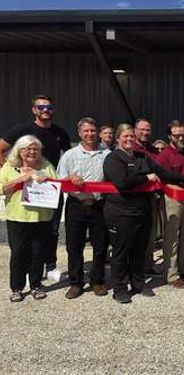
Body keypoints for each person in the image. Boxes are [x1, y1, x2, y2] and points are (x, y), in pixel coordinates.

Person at [103, 123, 184, 304]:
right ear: (118, 138)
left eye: (131, 136)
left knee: (140, 250)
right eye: (125, 136)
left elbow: (162, 172)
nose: (129, 139)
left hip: (142, 210)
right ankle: (120, 288)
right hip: (121, 212)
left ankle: (138, 283)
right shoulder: (113, 158)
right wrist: (146, 178)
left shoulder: (142, 157)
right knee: (121, 251)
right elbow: (122, 182)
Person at [0, 94, 70, 282]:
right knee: (24, 240)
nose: (45, 110)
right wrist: (11, 171)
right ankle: (21, 278)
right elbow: (1, 148)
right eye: (41, 107)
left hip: (49, 189)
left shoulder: (60, 133)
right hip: (25, 192)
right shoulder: (23, 129)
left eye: (48, 107)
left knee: (52, 229)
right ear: (34, 110)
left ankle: (51, 265)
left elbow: (66, 158)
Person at [56, 117, 110, 299]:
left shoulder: (107, 154)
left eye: (93, 131)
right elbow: (60, 181)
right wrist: (69, 178)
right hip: (76, 205)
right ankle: (75, 282)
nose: (90, 134)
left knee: (100, 246)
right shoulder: (69, 155)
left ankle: (97, 281)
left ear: (98, 133)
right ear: (79, 133)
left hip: (99, 205)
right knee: (74, 246)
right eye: (86, 131)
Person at [0, 135, 57, 302]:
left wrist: (45, 179)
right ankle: (17, 288)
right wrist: (21, 179)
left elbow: (55, 185)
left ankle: (36, 285)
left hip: (41, 217)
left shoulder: (46, 165)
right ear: (19, 150)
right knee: (18, 253)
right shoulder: (10, 166)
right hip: (17, 217)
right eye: (27, 149)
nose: (31, 152)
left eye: (35, 149)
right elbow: (2, 188)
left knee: (38, 252)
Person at [155, 121, 184, 289]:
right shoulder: (164, 155)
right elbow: (162, 179)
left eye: (183, 134)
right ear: (169, 136)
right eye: (177, 135)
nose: (181, 137)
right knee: (172, 237)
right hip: (173, 199)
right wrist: (179, 190)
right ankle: (171, 274)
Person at [132, 118, 161, 274]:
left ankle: (147, 265)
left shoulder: (154, 150)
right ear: (135, 130)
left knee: (150, 232)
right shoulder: (129, 148)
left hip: (151, 197)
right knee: (135, 233)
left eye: (147, 130)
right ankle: (135, 267)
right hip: (133, 198)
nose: (145, 133)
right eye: (142, 130)